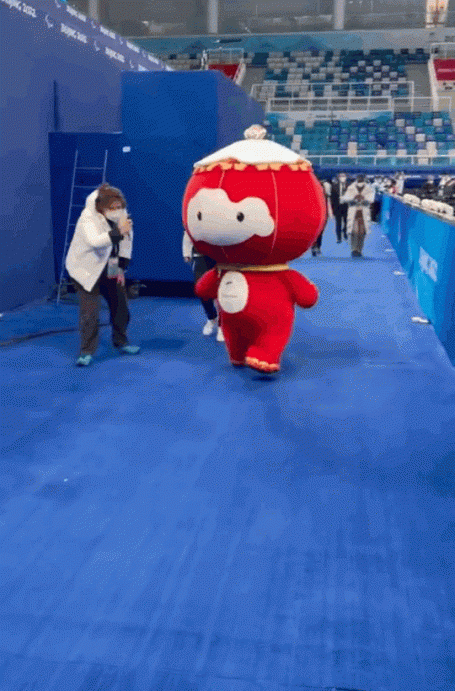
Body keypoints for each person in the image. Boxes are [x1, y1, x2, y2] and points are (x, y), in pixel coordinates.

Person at [65, 183, 140, 366]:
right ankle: (86, 351)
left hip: (109, 264)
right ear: (101, 208)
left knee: (120, 305)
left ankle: (121, 341)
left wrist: (121, 267)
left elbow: (126, 242)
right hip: (85, 269)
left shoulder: (122, 216)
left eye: (119, 207)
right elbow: (95, 241)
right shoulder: (87, 218)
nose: (117, 211)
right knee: (90, 312)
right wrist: (119, 232)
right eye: (113, 208)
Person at [182, 230, 224, 341]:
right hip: (199, 257)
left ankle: (222, 326)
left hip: (219, 256)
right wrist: (186, 253)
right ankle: (212, 318)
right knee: (202, 290)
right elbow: (188, 232)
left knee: (221, 292)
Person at [341, 174, 375, 258]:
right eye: (359, 178)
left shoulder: (369, 188)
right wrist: (354, 198)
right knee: (354, 232)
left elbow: (371, 199)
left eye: (361, 178)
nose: (360, 179)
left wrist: (363, 199)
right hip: (354, 212)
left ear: (364, 179)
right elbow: (345, 198)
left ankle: (359, 250)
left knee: (362, 232)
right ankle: (354, 249)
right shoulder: (351, 187)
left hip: (363, 213)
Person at [311, 179, 331, 256]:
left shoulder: (325, 194)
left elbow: (327, 204)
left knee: (320, 232)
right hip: (313, 214)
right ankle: (314, 246)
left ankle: (318, 246)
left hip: (323, 215)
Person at [330, 172, 349, 243]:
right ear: (338, 177)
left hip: (347, 207)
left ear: (346, 177)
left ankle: (345, 233)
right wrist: (332, 209)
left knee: (346, 222)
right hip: (338, 207)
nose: (342, 178)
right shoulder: (334, 186)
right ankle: (339, 238)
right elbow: (332, 199)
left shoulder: (349, 186)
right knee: (338, 223)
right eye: (341, 176)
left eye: (344, 176)